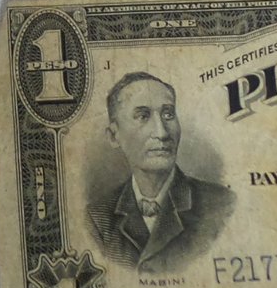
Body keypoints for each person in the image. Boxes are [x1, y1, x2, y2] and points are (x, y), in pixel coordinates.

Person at [89, 71, 233, 270]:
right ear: (114, 136)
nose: (162, 132)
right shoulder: (97, 219)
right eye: (143, 116)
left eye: (168, 114)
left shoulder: (223, 206)